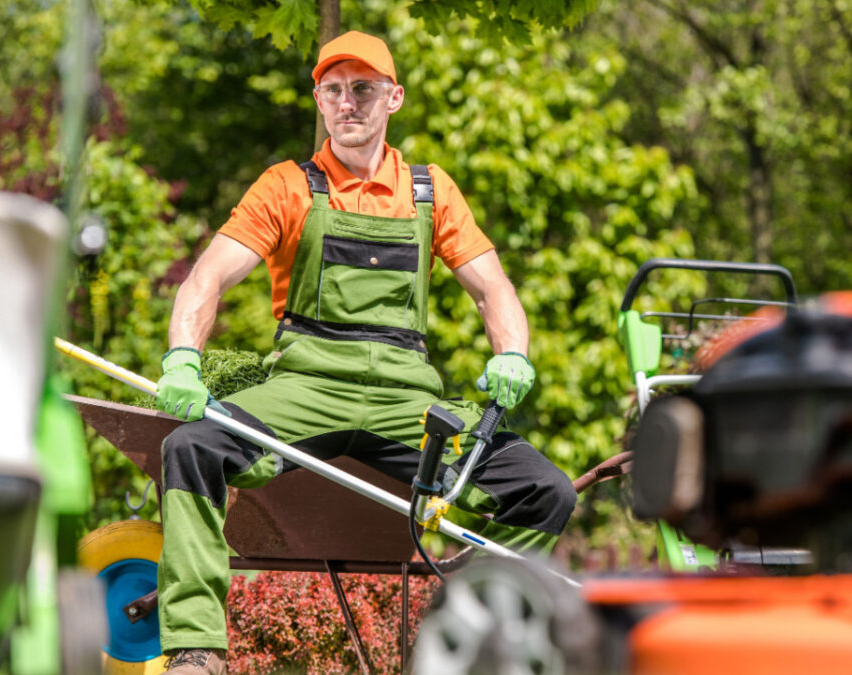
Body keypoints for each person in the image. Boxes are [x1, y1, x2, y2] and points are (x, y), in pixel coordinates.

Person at [153, 31, 577, 674]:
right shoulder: (288, 187)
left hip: (408, 401)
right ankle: (197, 649)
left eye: (363, 89)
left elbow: (493, 288)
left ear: (394, 98)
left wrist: (512, 353)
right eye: (333, 90)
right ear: (319, 101)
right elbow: (206, 278)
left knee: (546, 490)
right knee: (190, 449)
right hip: (303, 388)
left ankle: (475, 644)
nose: (347, 103)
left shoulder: (431, 192)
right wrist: (183, 355)